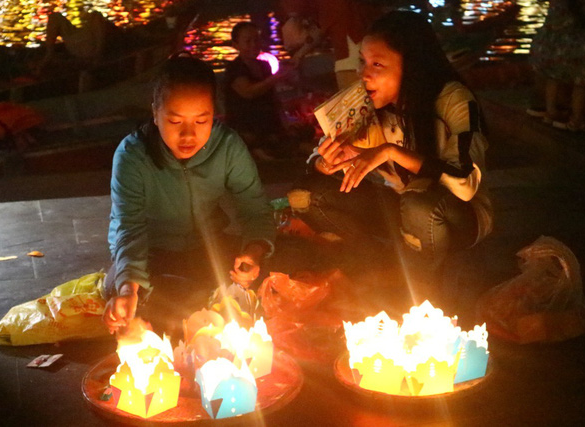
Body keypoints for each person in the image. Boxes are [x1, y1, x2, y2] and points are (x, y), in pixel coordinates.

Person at [289, 10, 493, 305]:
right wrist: (327, 161)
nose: (363, 74)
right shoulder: (364, 103)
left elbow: (463, 183)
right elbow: (314, 162)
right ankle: (381, 265)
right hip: (399, 206)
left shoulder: (453, 100)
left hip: (457, 215)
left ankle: (425, 291)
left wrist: (391, 151)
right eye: (362, 61)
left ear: (411, 67)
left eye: (377, 64)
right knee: (305, 196)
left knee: (419, 202)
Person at [102, 55, 276, 337]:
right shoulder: (133, 155)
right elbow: (128, 228)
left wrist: (253, 252)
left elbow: (254, 207)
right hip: (151, 255)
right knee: (141, 296)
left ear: (214, 114)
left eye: (201, 120)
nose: (188, 134)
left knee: (276, 273)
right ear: (155, 114)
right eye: (174, 120)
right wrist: (127, 288)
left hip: (206, 248)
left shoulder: (228, 147)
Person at [223, 21, 295, 160]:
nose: (253, 45)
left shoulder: (264, 66)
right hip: (246, 125)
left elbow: (273, 98)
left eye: (256, 40)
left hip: (268, 124)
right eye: (248, 41)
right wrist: (276, 78)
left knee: (299, 134)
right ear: (236, 45)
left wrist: (285, 120)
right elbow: (248, 92)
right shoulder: (235, 68)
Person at [279, 0, 382, 90]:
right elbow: (321, 29)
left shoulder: (330, 4)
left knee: (355, 106)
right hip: (358, 50)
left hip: (349, 54)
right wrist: (300, 54)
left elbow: (320, 28)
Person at [528, 0, 585, 132]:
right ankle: (577, 119)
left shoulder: (555, 5)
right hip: (575, 45)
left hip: (552, 44)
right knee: (581, 82)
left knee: (553, 78)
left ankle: (551, 111)